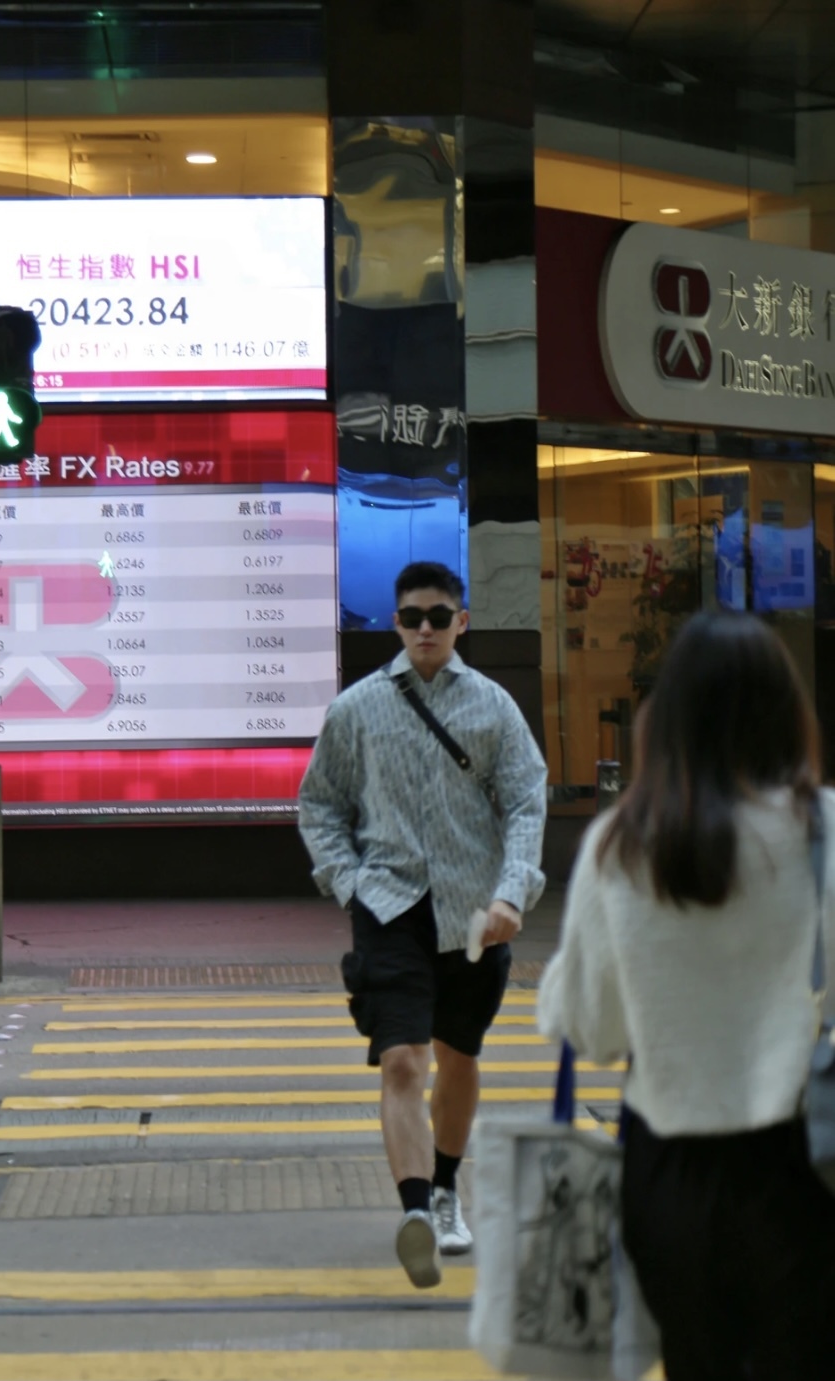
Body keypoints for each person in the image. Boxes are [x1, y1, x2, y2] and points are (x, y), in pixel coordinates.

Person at [538, 609, 835, 1380]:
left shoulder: (620, 844)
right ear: (787, 712)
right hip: (805, 1165)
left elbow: (595, 1029)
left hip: (668, 1176)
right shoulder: (825, 831)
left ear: (665, 719)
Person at [298, 560, 547, 1289]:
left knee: (457, 1056)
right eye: (413, 618)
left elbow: (526, 802)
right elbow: (320, 805)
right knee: (403, 1059)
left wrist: (512, 894)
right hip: (389, 907)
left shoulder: (494, 706)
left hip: (474, 912)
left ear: (462, 622)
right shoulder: (357, 709)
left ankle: (444, 1189)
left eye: (440, 616)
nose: (426, 629)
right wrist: (350, 883)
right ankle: (415, 1213)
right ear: (396, 623)